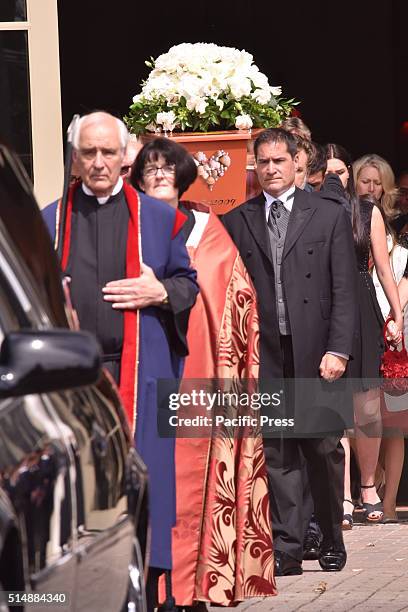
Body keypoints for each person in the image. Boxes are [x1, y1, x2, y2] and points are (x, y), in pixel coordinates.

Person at [42, 111, 199, 611]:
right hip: (76, 382)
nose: (99, 162)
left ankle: (151, 591)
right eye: (89, 152)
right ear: (75, 157)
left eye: (109, 152)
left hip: (140, 371)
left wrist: (159, 291)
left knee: (146, 479)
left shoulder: (158, 218)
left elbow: (187, 285)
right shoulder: (49, 220)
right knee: (83, 487)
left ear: (126, 155)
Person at [131, 137, 276, 609]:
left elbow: (240, 302)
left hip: (203, 372)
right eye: (148, 167)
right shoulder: (128, 228)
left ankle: (194, 585)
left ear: (182, 175)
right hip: (145, 372)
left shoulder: (207, 231)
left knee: (194, 481)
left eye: (166, 167)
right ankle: (148, 587)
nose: (157, 174)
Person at [223, 128, 357, 576]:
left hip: (318, 351)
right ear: (254, 166)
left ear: (297, 161)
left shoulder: (328, 214)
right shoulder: (239, 220)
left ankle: (331, 537)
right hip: (268, 354)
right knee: (278, 451)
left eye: (278, 161)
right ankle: (287, 544)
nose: (270, 170)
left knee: (322, 448)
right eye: (262, 162)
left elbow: (344, 289)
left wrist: (339, 349)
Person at [325, 144, 402, 528]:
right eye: (328, 171)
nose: (333, 178)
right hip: (324, 308)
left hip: (362, 303)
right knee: (336, 410)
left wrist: (397, 314)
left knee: (368, 407)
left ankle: (368, 488)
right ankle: (340, 494)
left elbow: (385, 270)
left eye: (340, 172)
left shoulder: (367, 211)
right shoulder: (310, 210)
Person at [353, 156, 406, 524]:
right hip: (361, 318)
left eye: (377, 182)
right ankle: (364, 486)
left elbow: (396, 273)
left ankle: (387, 503)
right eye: (364, 181)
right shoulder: (347, 216)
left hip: (391, 321)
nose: (370, 188)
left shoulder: (398, 227)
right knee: (360, 412)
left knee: (395, 420)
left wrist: (395, 313)